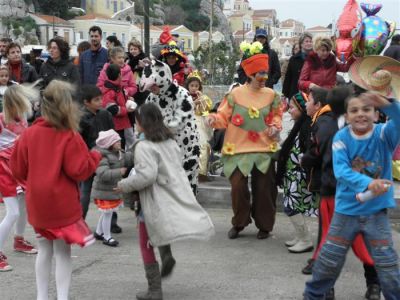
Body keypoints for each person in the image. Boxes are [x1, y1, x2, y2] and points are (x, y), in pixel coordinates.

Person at [303, 82, 400, 299]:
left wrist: (387, 103)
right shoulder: (342, 138)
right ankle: (312, 296)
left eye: (367, 109)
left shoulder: (384, 135)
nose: (361, 114)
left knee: (387, 264)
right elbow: (342, 171)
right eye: (354, 110)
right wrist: (368, 183)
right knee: (328, 262)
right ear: (346, 117)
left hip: (376, 212)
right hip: (345, 212)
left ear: (376, 114)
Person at [10, 80, 101, 300]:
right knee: (62, 252)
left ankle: (41, 296)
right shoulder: (69, 135)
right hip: (62, 204)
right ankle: (62, 297)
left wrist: (33, 181)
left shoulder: (29, 134)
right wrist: (96, 155)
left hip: (38, 202)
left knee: (44, 249)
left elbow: (17, 168)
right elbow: (80, 170)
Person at [116, 103, 214, 300]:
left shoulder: (144, 146)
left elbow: (146, 176)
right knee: (157, 229)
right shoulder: (169, 141)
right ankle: (167, 255)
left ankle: (154, 290)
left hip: (152, 200)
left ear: (142, 123)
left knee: (145, 243)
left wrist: (124, 184)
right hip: (169, 193)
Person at [207, 41, 283, 239]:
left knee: (265, 189)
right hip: (237, 147)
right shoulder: (235, 94)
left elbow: (277, 115)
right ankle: (240, 222)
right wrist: (213, 118)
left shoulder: (272, 95)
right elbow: (223, 117)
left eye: (266, 73)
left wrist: (275, 126)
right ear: (250, 74)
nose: (264, 78)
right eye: (260, 74)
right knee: (238, 187)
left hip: (264, 147)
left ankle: (265, 225)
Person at [140, 59, 200, 194]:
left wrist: (157, 131)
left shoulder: (183, 95)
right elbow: (145, 120)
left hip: (186, 152)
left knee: (186, 188)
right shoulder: (151, 98)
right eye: (150, 87)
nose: (152, 89)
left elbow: (177, 123)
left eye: (154, 86)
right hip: (163, 153)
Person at [0, 84, 39, 272]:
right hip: (3, 169)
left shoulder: (23, 118)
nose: (26, 105)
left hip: (20, 167)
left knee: (23, 206)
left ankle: (19, 239)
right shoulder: (0, 120)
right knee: (13, 212)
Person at [276, 92, 316, 253]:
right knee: (291, 207)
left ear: (301, 108)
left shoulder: (307, 128)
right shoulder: (299, 126)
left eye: (292, 107)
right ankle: (300, 236)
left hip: (298, 177)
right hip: (291, 175)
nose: (289, 110)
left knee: (291, 208)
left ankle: (305, 239)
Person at [91, 129, 132, 247]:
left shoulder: (119, 153)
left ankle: (99, 232)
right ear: (109, 144)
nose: (120, 142)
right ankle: (107, 237)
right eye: (116, 141)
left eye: (119, 140)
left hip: (111, 190)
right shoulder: (102, 156)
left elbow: (128, 158)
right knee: (108, 213)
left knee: (106, 213)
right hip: (104, 190)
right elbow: (103, 174)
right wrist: (120, 171)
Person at [79, 85, 114, 219]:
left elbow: (112, 133)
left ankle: (110, 222)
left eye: (101, 99)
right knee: (85, 190)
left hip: (106, 157)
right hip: (89, 157)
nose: (100, 102)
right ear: (86, 102)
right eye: (96, 100)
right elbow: (79, 141)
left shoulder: (105, 114)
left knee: (109, 190)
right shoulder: (81, 118)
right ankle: (80, 220)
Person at [97, 46, 137, 149]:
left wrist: (126, 94)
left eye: (123, 57)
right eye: (119, 57)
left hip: (126, 112)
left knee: (130, 138)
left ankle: (130, 158)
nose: (122, 60)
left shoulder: (128, 70)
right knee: (119, 141)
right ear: (112, 59)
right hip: (116, 116)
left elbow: (133, 87)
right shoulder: (105, 71)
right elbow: (101, 87)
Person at [185, 72, 213, 182]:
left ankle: (202, 172)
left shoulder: (204, 97)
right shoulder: (184, 96)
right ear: (187, 86)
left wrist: (201, 99)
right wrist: (193, 103)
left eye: (196, 86)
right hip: (187, 122)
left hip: (200, 123)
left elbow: (206, 110)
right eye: (192, 85)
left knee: (203, 144)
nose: (194, 88)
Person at [282, 32, 313, 100]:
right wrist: (285, 94)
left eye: (310, 41)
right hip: (295, 92)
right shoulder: (293, 59)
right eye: (306, 41)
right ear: (301, 44)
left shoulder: (316, 58)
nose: (309, 43)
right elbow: (288, 77)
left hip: (310, 93)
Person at [126, 39, 149, 107]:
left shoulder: (145, 59)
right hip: (131, 90)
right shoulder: (127, 60)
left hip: (142, 90)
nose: (133, 51)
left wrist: (143, 68)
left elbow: (149, 74)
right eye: (131, 49)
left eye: (135, 49)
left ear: (139, 50)